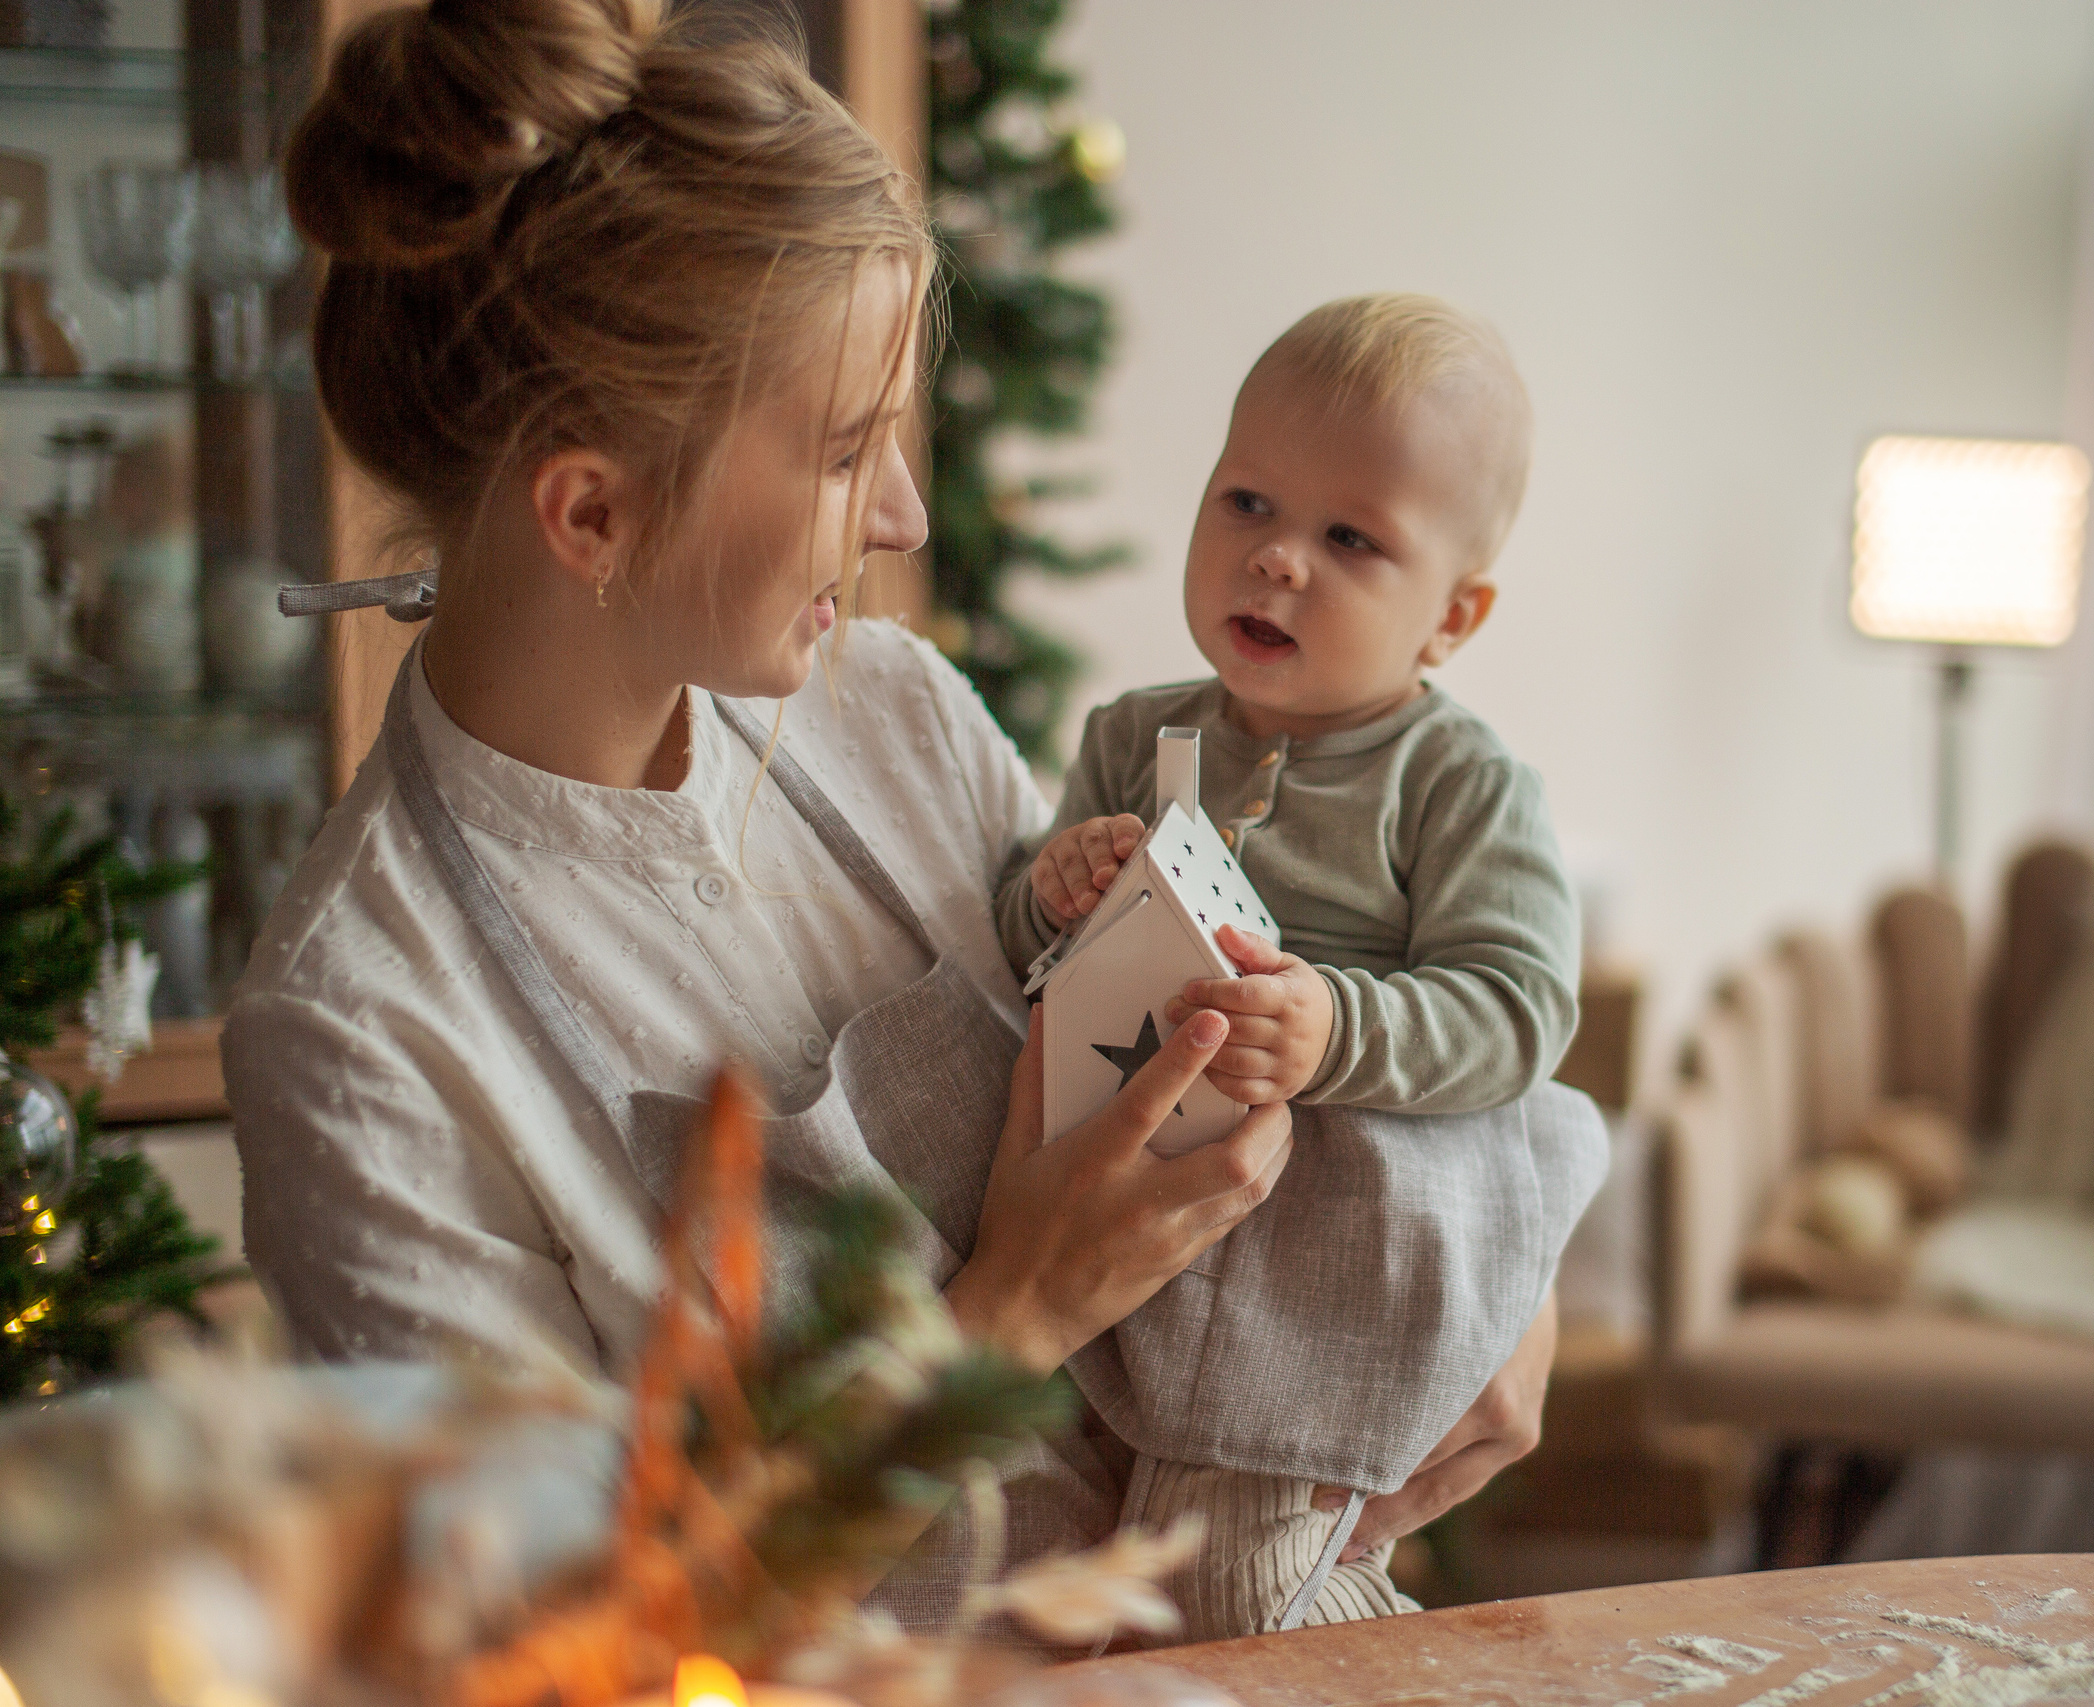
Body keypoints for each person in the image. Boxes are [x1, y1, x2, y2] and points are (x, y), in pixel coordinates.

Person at [220, 0, 1559, 1625]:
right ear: (594, 510)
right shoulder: (364, 1031)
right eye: (851, 452)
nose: (908, 520)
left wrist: (1500, 1279)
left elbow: (1280, 1026)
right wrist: (1010, 1309)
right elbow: (561, 1650)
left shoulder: (892, 714)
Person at [994, 296, 1582, 1637]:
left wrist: (1336, 1026)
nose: (1276, 562)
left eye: (1350, 540)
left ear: (1453, 616)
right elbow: (1018, 960)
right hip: (1144, 1216)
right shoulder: (1133, 738)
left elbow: (1521, 1008)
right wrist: (1052, 893)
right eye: (1247, 503)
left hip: (1342, 1245)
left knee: (1229, 1583)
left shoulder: (1460, 783)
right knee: (1120, 1579)